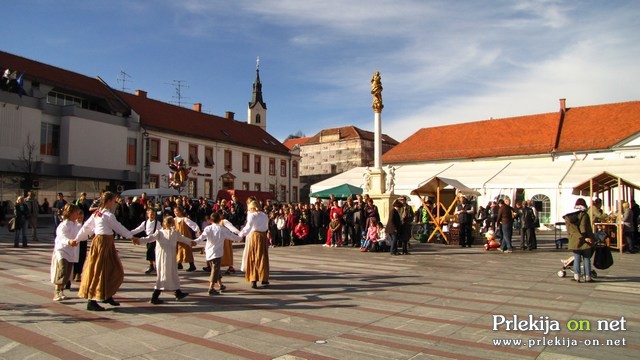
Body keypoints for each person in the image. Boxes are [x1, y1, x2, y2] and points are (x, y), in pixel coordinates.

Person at [74, 191, 138, 311]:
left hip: (106, 243)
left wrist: (77, 239)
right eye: (114, 201)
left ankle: (106, 294)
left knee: (111, 269)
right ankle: (92, 300)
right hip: (102, 243)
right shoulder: (106, 215)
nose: (115, 203)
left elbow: (86, 228)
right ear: (108, 201)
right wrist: (131, 237)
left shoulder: (98, 214)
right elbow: (118, 227)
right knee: (99, 270)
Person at [134, 216, 194, 304]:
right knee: (163, 274)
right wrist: (139, 240)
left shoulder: (175, 233)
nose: (169, 224)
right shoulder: (160, 233)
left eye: (170, 223)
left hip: (171, 256)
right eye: (168, 223)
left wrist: (192, 242)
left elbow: (184, 239)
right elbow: (150, 238)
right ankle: (155, 296)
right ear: (165, 224)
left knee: (173, 273)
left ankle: (178, 292)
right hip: (162, 257)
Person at [194, 212, 243, 295]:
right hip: (217, 253)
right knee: (215, 269)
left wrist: (195, 242)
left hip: (209, 252)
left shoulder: (208, 228)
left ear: (210, 220)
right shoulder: (222, 229)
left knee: (216, 269)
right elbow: (232, 236)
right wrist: (240, 237)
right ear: (220, 219)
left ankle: (220, 285)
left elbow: (201, 238)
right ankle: (211, 287)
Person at [50, 204, 84, 301]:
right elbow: (61, 236)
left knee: (68, 273)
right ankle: (56, 292)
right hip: (62, 250)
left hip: (71, 251)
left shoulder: (76, 225)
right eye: (76, 213)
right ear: (70, 213)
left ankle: (61, 291)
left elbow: (81, 234)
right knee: (63, 269)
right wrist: (68, 241)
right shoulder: (64, 224)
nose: (78, 215)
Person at [238, 200, 270, 289]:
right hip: (263, 236)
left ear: (251, 208)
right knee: (263, 257)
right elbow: (266, 226)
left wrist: (240, 235)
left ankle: (254, 279)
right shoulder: (264, 215)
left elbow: (248, 227)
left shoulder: (252, 215)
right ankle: (264, 278)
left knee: (253, 257)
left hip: (255, 236)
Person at [564, 198, 595, 282]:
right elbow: (583, 227)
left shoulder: (569, 216)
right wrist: (586, 237)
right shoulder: (584, 215)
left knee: (577, 258)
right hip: (585, 239)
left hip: (575, 239)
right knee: (586, 258)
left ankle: (576, 276)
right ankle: (587, 276)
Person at [131, 208, 161, 274]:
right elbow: (138, 229)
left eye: (153, 214)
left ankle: (156, 266)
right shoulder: (145, 223)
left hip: (155, 239)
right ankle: (151, 266)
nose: (152, 215)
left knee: (154, 252)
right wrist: (129, 233)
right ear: (147, 214)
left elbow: (160, 231)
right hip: (147, 239)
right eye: (151, 214)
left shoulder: (157, 223)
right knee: (149, 252)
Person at [173, 206, 200, 272]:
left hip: (185, 237)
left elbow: (193, 225)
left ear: (180, 212)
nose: (175, 213)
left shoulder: (185, 219)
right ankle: (179, 264)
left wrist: (198, 230)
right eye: (174, 211)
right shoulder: (174, 219)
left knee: (187, 250)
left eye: (176, 211)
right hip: (177, 237)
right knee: (177, 250)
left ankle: (192, 265)